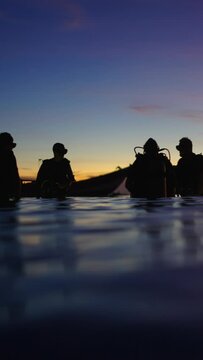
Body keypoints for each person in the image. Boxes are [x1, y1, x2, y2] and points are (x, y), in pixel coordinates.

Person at [0, 132, 21, 201]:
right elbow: (14, 173)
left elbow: (14, 173)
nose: (11, 148)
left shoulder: (10, 154)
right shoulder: (9, 154)